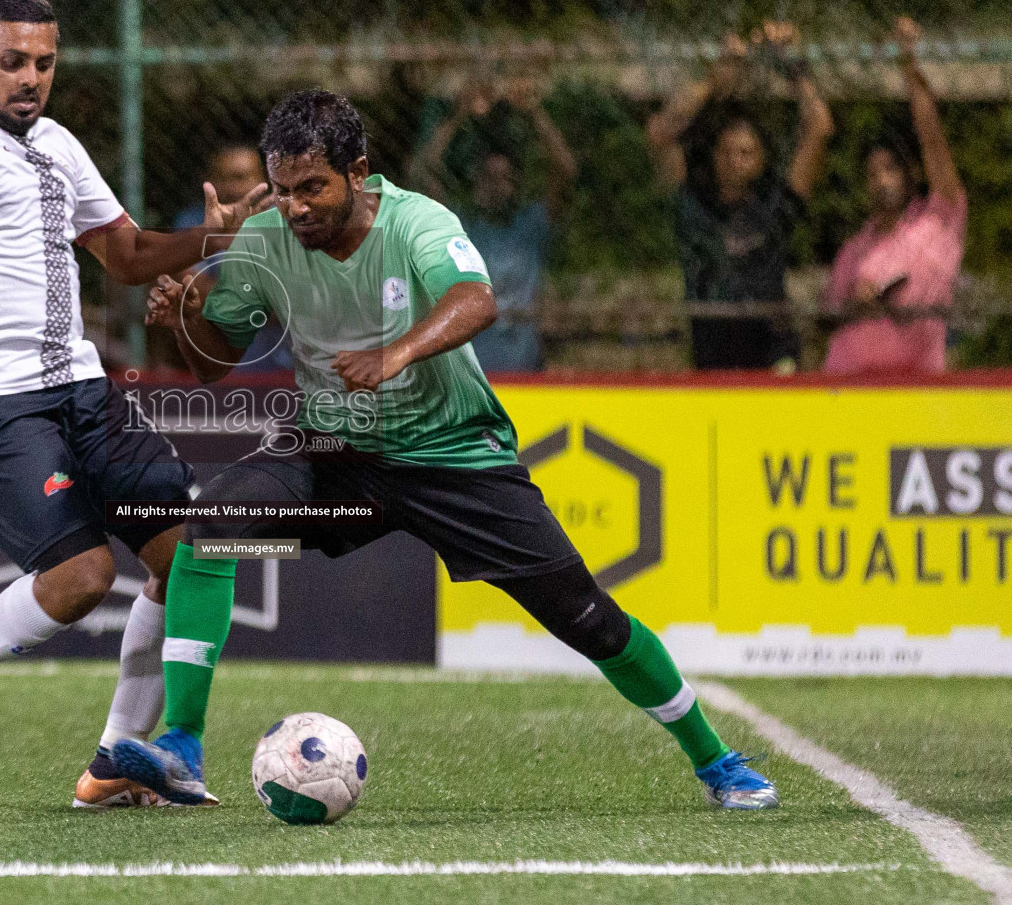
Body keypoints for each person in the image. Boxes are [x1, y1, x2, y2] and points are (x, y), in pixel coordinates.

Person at [116, 90, 778, 811]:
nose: (296, 207)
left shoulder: (417, 222)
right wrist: (189, 309)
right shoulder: (267, 238)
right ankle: (181, 744)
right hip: (337, 456)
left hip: (454, 457)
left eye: (313, 188)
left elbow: (475, 300)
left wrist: (395, 354)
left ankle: (716, 761)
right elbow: (213, 364)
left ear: (359, 173)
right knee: (212, 533)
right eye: (282, 190)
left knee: (588, 618)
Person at [0, 0, 266, 807]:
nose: (30, 76)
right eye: (11, 61)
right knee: (80, 579)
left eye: (45, 62)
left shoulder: (60, 145)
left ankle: (120, 759)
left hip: (79, 382)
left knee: (192, 555)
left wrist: (217, 235)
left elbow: (131, 255)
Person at [647, 23, 834, 371]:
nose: (735, 161)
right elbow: (660, 134)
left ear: (761, 159)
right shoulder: (695, 206)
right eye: (727, 152)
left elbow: (819, 127)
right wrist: (715, 80)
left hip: (773, 355)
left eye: (746, 153)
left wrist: (793, 66)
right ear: (715, 156)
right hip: (713, 357)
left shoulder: (775, 206)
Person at [824, 18, 966, 375]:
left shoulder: (940, 223)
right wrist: (857, 304)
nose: (881, 181)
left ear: (910, 174)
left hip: (916, 387)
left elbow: (932, 140)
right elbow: (826, 320)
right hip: (850, 388)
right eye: (872, 174)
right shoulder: (855, 250)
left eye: (890, 169)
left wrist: (909, 64)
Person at [410, 77, 577, 372]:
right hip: (471, 375)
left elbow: (565, 169)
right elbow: (422, 172)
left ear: (516, 185)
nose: (497, 188)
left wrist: (534, 112)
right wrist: (458, 116)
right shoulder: (456, 228)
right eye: (488, 179)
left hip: (523, 371)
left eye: (505, 180)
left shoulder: (530, 226)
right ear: (475, 181)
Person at [173, 143, 290, 371]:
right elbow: (193, 294)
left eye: (242, 177)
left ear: (263, 179)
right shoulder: (193, 222)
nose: (234, 187)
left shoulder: (287, 222)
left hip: (286, 368)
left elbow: (299, 300)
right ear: (210, 181)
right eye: (224, 178)